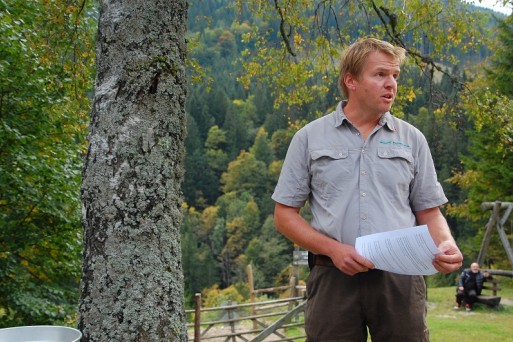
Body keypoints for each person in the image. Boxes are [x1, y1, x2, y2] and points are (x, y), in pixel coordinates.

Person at [271, 38, 463, 341]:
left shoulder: (412, 139)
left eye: (395, 76)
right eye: (380, 75)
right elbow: (284, 215)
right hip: (332, 277)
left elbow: (428, 210)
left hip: (400, 278)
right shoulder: (309, 138)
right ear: (351, 81)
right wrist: (334, 250)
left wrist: (446, 244)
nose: (391, 84)